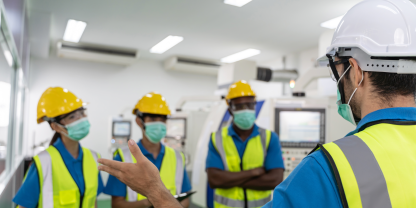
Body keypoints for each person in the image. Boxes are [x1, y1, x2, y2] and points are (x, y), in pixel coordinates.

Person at [98, 0, 416, 207]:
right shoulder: (219, 140)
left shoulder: (329, 168)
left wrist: (156, 192)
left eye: (337, 71)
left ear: (355, 71)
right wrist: (255, 173)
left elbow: (273, 176)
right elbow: (218, 178)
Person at [13, 87, 104, 208]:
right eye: (72, 117)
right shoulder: (43, 163)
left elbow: (93, 201)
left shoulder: (94, 158)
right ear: (56, 126)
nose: (81, 119)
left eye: (82, 113)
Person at [103, 92, 192, 208]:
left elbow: (185, 200)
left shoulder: (177, 157)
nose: (159, 123)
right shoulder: (123, 157)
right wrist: (149, 202)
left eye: (163, 118)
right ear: (139, 121)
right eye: (153, 118)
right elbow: (117, 204)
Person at [206, 80, 284, 208]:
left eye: (249, 104)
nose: (245, 110)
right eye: (239, 106)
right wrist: (253, 173)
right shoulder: (217, 138)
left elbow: (275, 180)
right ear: (230, 110)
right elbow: (214, 180)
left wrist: (229, 179)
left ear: (254, 105)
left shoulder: (270, 138)